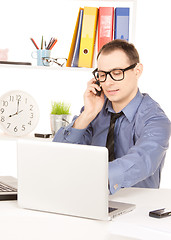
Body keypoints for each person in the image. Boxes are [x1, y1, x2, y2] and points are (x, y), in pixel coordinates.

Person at [53, 39, 171, 195]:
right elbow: (58, 154)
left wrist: (89, 178)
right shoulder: (94, 111)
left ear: (137, 71)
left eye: (116, 73)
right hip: (87, 198)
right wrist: (87, 114)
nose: (108, 82)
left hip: (137, 207)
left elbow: (142, 160)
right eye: (102, 75)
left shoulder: (155, 119)